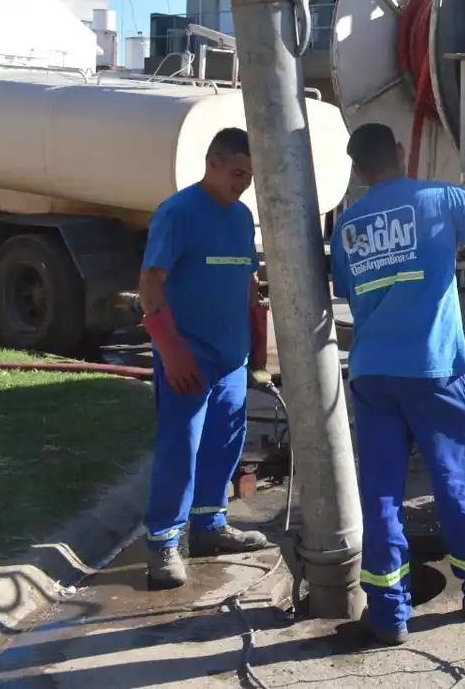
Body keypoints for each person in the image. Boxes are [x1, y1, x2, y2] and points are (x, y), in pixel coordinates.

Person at [331, 122, 465, 644]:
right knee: (455, 480)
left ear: (357, 170)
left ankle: (388, 612)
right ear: (400, 152)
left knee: (380, 493)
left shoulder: (348, 224)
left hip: (372, 370)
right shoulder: (439, 198)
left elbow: (347, 289)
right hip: (433, 368)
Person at [139, 127, 274, 590]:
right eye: (237, 172)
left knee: (225, 443)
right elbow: (150, 283)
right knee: (182, 447)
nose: (243, 183)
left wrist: (258, 345)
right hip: (189, 355)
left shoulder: (240, 218)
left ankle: (210, 526)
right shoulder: (178, 213)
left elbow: (247, 281)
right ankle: (162, 544)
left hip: (230, 357)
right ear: (212, 162)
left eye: (250, 176)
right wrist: (170, 350)